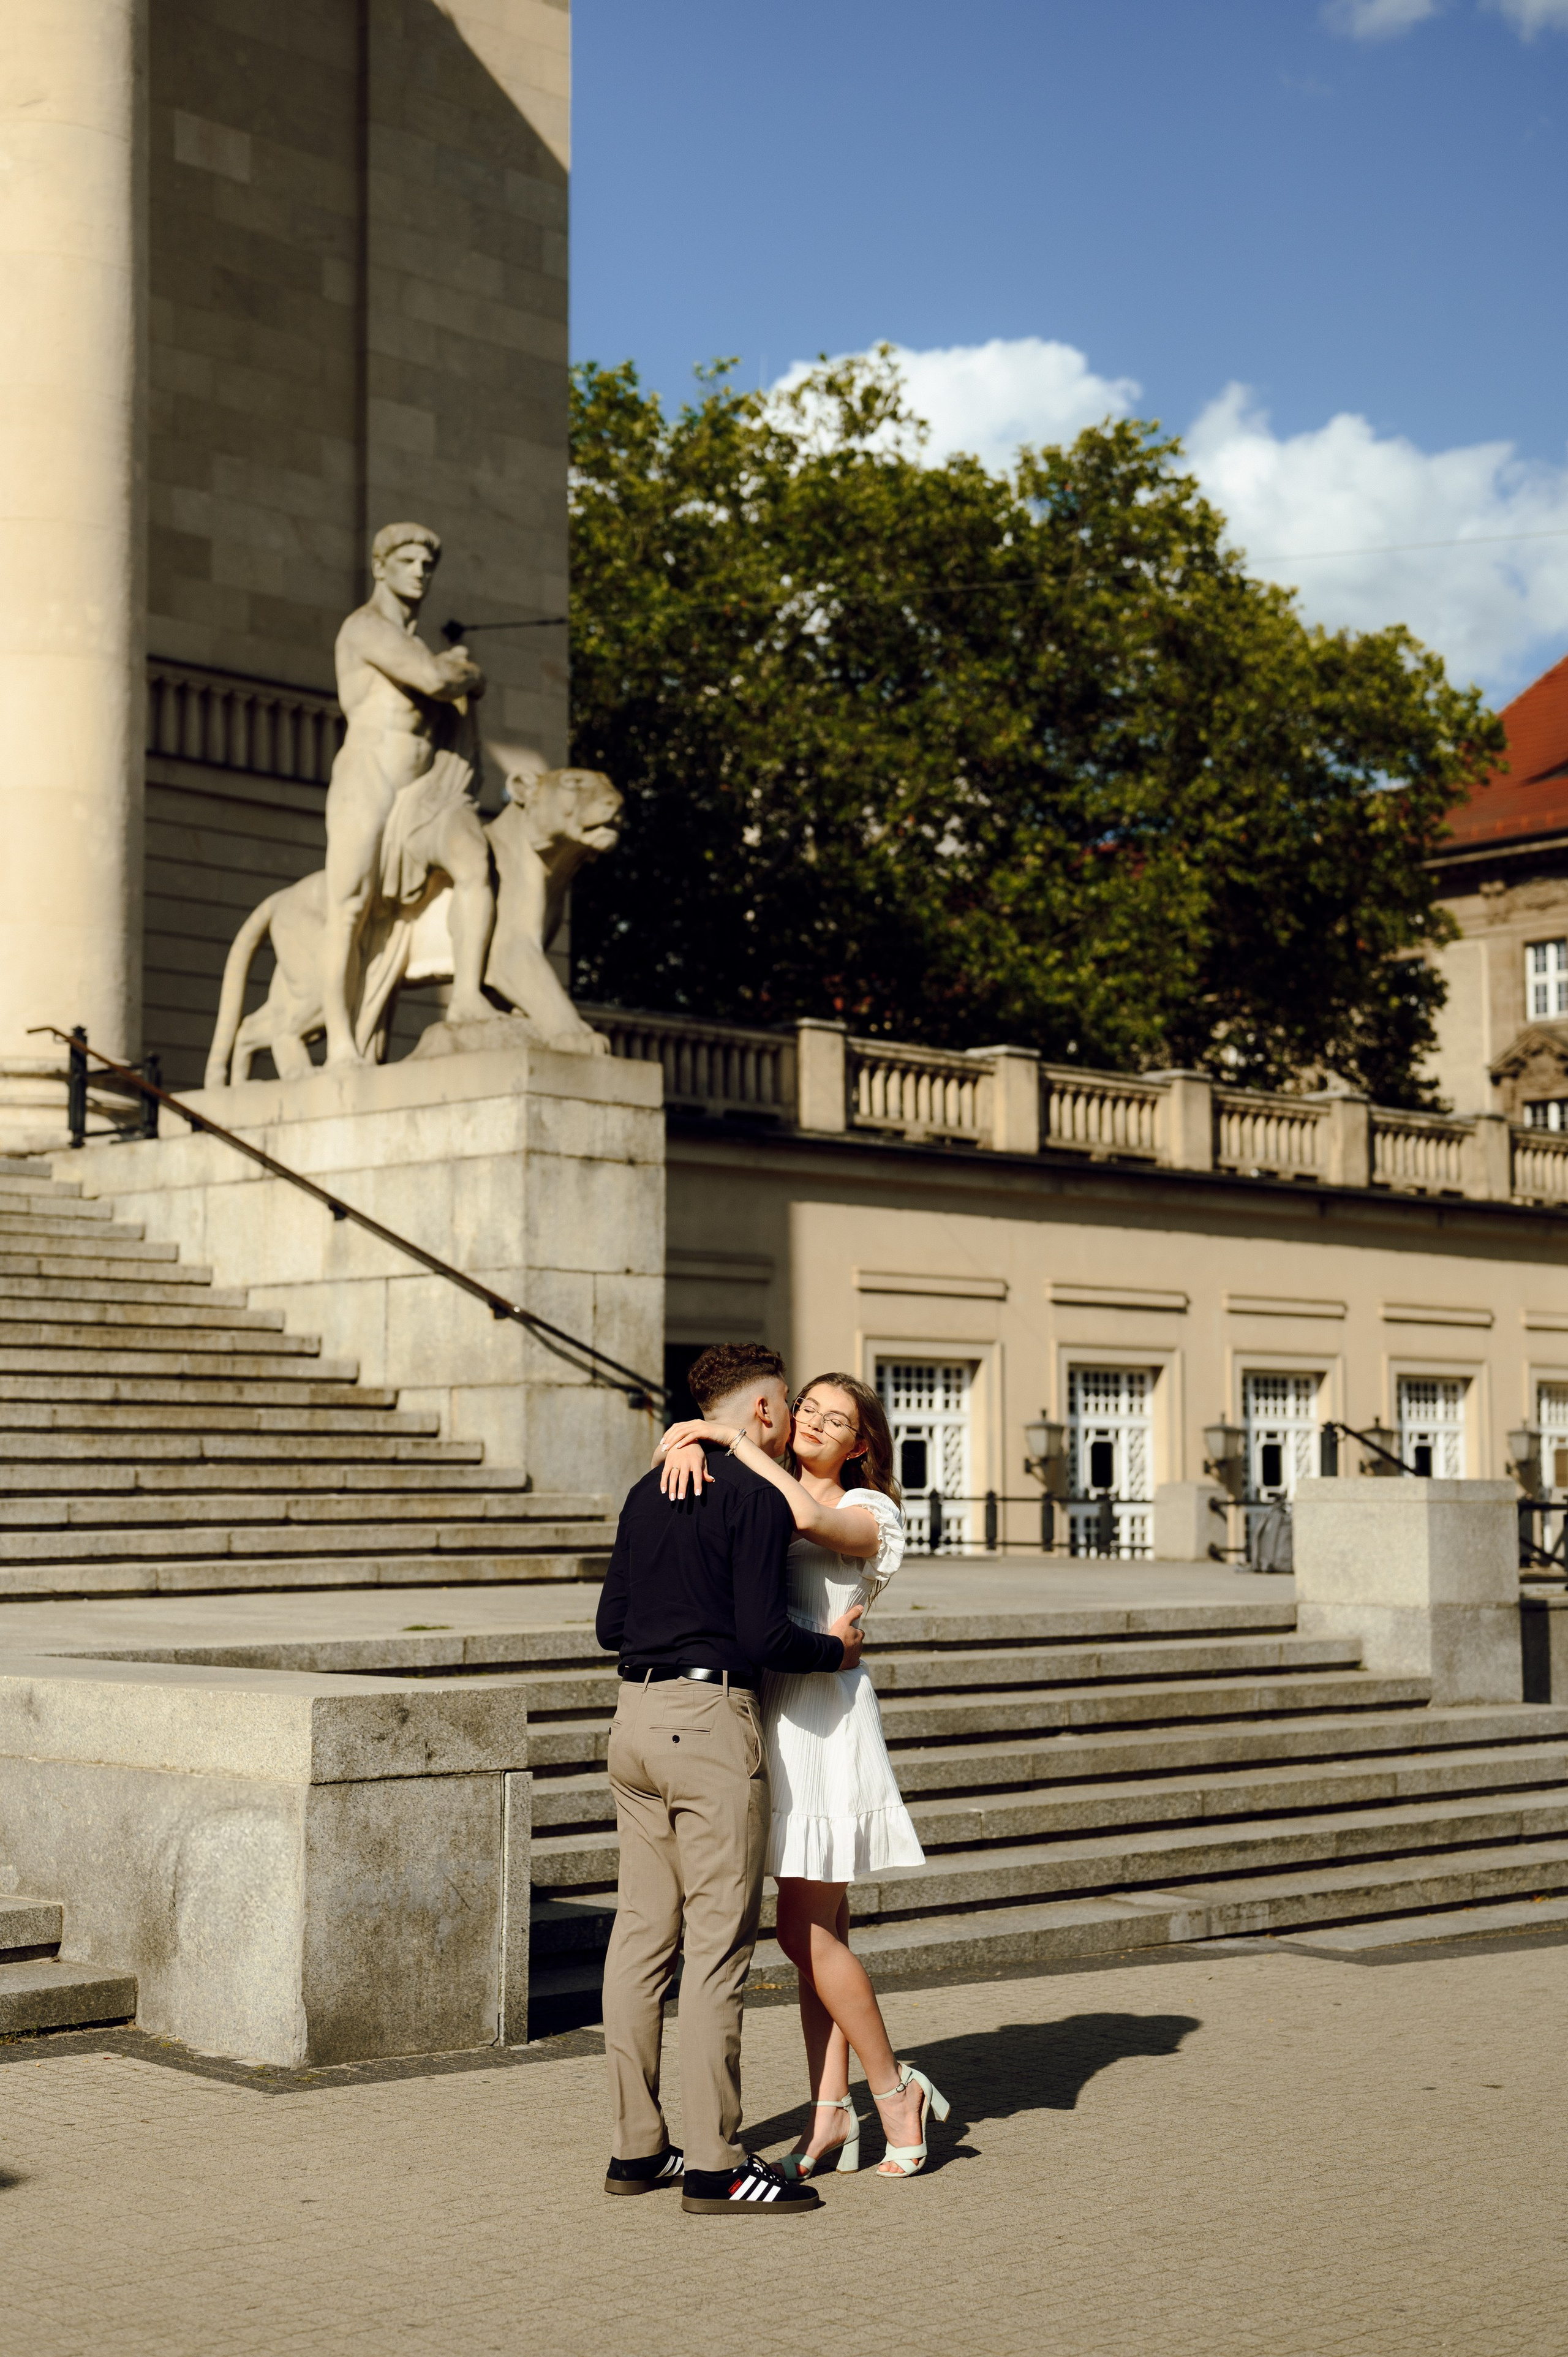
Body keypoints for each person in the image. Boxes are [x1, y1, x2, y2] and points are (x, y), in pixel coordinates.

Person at [657, 1370, 951, 2181]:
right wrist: (682, 1438)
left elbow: (813, 1517)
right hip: (772, 1713)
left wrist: (729, 1440)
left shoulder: (873, 1514)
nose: (816, 1422)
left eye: (836, 1418)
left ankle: (895, 2092)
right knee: (820, 1937)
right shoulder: (767, 1489)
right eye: (808, 1409)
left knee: (800, 1931)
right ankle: (829, 2119)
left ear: (863, 1444)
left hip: (826, 1723)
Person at [595, 1343, 867, 2218]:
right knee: (717, 1948)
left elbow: (611, 1624)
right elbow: (762, 1637)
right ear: (758, 1414)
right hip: (709, 1727)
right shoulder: (752, 1496)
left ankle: (638, 2150)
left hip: (631, 1724)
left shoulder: (648, 1489)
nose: (792, 1422)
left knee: (641, 1941)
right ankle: (715, 2164)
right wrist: (837, 1650)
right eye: (786, 1406)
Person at [322, 521, 497, 1065]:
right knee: (350, 908)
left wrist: (460, 674)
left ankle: (467, 998)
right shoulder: (365, 628)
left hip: (425, 792)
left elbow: (443, 682)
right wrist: (467, 672)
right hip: (369, 780)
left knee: (474, 862)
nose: (421, 571)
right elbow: (435, 681)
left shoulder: (417, 642)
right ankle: (340, 1044)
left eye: (428, 564)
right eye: (408, 561)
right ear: (381, 567)